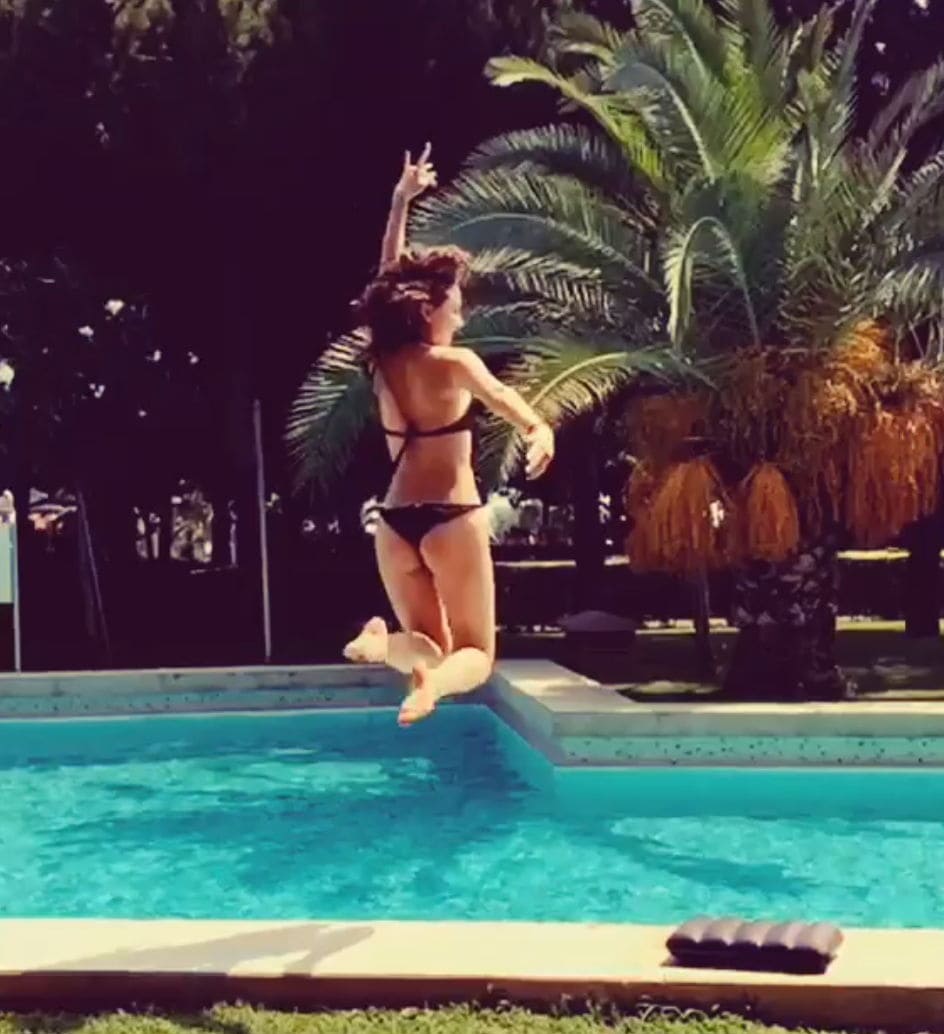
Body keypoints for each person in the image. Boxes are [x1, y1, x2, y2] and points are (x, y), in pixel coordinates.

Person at [343, 142, 556, 727]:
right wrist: (538, 428)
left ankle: (382, 645)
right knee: (475, 655)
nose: (460, 318)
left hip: (393, 523)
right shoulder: (454, 363)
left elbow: (387, 277)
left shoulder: (383, 360)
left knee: (423, 643)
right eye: (455, 308)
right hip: (451, 518)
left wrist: (400, 202)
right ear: (427, 311)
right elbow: (504, 397)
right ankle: (431, 688)